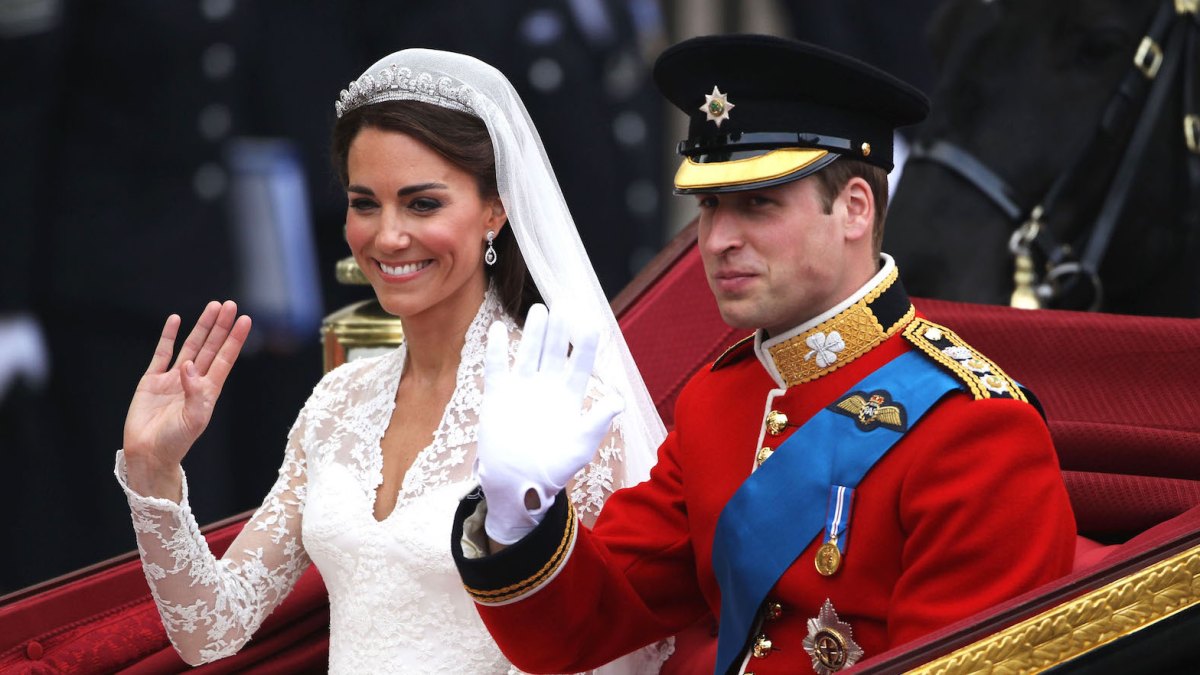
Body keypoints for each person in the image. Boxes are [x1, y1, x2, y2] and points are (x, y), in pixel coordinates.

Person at [451, 35, 1078, 675]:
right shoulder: (718, 399)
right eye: (710, 206)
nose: (719, 239)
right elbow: (583, 626)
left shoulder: (975, 428)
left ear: (855, 208)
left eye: (758, 204)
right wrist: (516, 515)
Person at [114, 48, 671, 673]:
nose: (388, 236)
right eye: (365, 203)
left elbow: (619, 646)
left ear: (495, 209)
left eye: (423, 204)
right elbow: (212, 629)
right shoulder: (337, 400)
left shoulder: (564, 400)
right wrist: (153, 472)